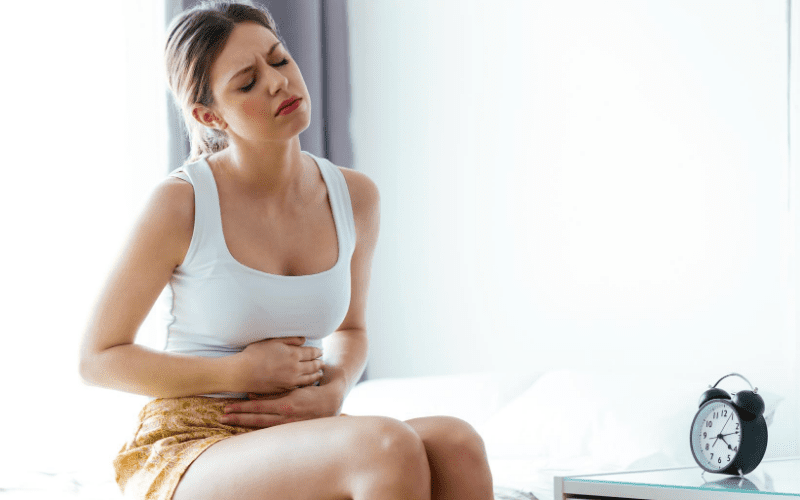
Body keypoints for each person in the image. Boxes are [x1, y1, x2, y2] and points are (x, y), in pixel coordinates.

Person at [78, 1, 495, 499]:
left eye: (279, 60)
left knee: (457, 443)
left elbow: (352, 330)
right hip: (194, 441)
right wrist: (238, 371)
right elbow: (98, 359)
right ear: (209, 114)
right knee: (383, 445)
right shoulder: (181, 202)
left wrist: (335, 388)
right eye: (247, 82)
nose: (278, 82)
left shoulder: (355, 197)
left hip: (298, 430)